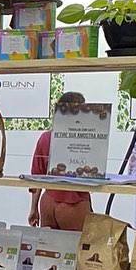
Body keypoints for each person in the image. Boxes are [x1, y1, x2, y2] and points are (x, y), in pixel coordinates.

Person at [28, 92, 91, 231]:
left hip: (48, 203)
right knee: (77, 245)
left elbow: (36, 177)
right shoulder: (85, 141)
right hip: (74, 203)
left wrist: (33, 208)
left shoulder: (45, 138)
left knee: (47, 245)